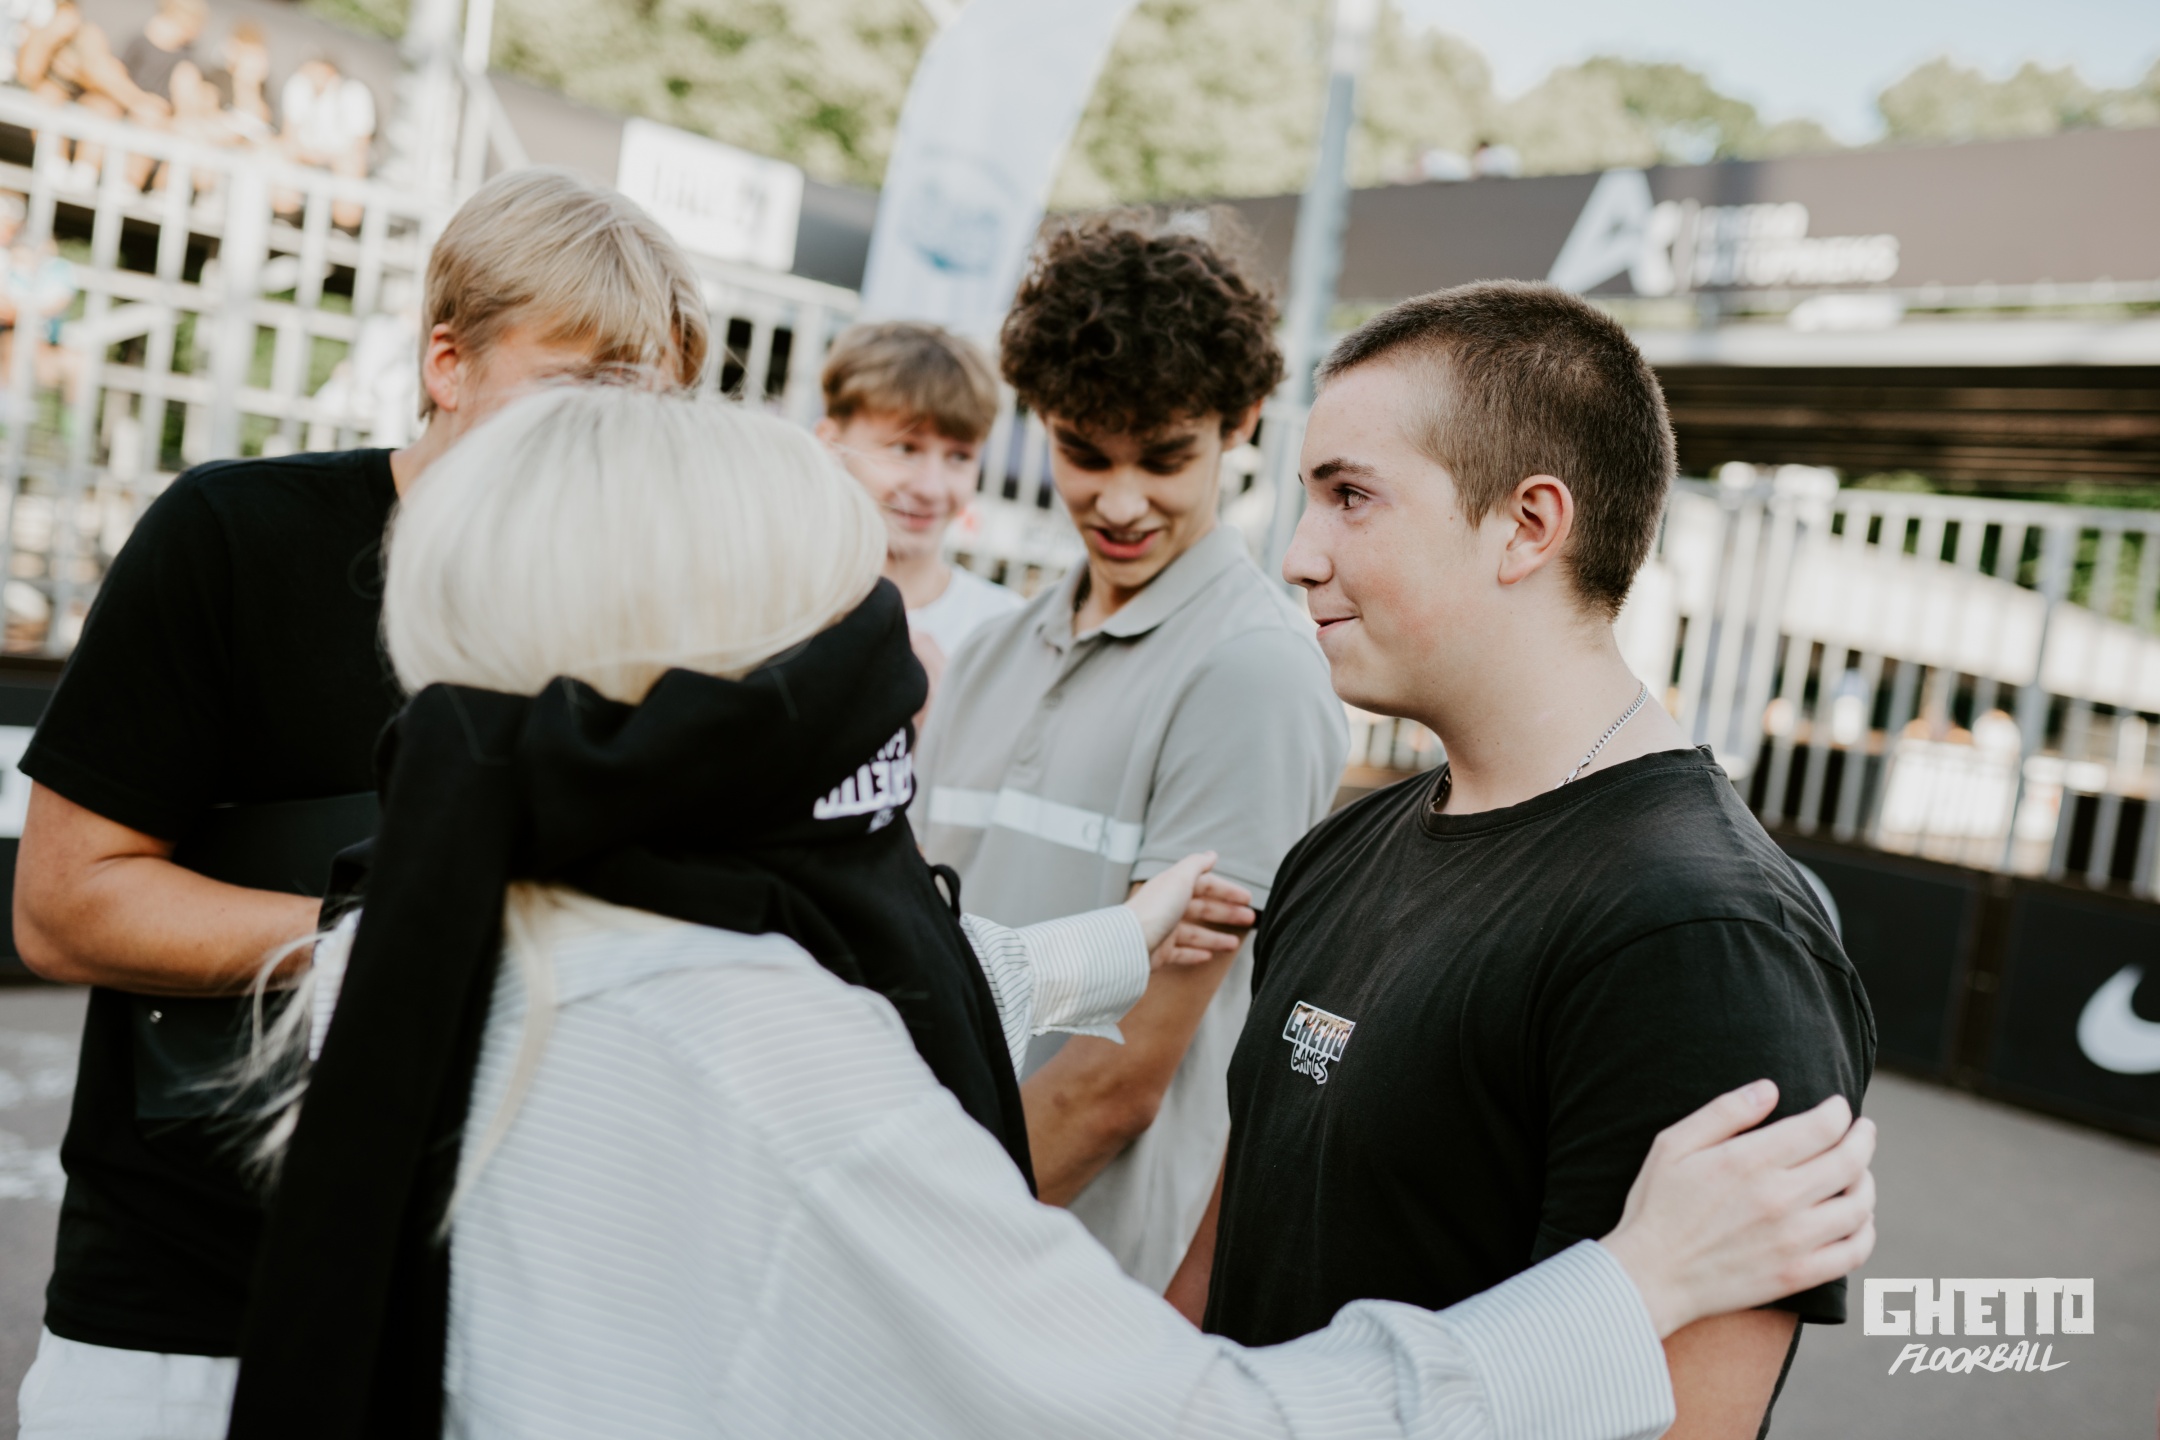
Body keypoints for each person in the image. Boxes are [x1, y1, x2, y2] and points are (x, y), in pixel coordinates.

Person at [227, 382, 1879, 1440]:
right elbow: (1194, 1425)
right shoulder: (761, 1059)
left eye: (1349, 495)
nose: (899, 640)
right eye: (841, 595)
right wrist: (1632, 1283)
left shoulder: (443, 940)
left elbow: (883, 983)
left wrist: (1112, 944)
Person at [9, 168, 709, 1440]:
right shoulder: (237, 537)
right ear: (449, 363)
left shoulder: (656, 619)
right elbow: (64, 906)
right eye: (578, 390)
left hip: (492, 1324)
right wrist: (397, 946)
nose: (615, 442)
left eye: (648, 407)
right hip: (186, 1316)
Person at [1171, 282, 1878, 1440]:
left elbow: (1676, 1422)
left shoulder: (1702, 940)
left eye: (1351, 497)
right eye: (1308, 498)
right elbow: (1218, 1293)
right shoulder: (1341, 848)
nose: (1298, 556)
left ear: (1528, 525)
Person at [915, 212, 1345, 1291]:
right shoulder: (992, 651)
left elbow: (1116, 1087)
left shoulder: (1254, 674)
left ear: (1240, 423)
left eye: (1163, 458)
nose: (1118, 502)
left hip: (1057, 1281)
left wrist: (922, 1244)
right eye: (1082, 452)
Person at [814, 320, 1019, 689]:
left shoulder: (1006, 632)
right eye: (904, 448)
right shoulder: (776, 603)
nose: (931, 488)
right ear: (830, 442)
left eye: (959, 456)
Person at [278, 56, 374, 226]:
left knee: (351, 171)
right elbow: (289, 138)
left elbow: (360, 147)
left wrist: (328, 158)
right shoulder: (299, 85)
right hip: (306, 158)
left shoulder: (354, 92)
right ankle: (284, 219)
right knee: (283, 162)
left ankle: (344, 228)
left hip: (343, 164)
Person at [119, 0, 205, 107]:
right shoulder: (140, 42)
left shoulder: (186, 55)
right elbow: (121, 73)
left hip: (163, 106)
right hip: (132, 100)